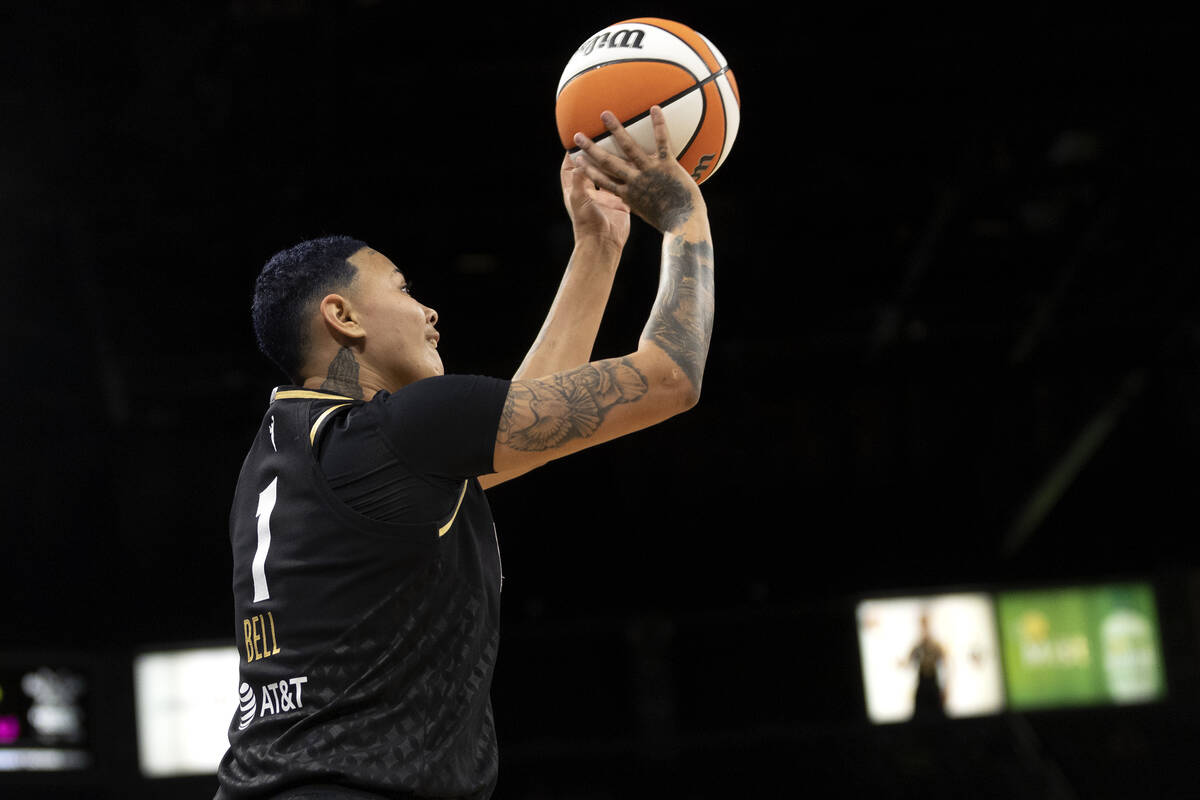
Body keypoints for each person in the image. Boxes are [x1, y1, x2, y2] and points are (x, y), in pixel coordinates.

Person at [214, 106, 716, 800]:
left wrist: (598, 245)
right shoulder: (404, 429)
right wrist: (685, 211)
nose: (429, 311)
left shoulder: (287, 453)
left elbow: (529, 430)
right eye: (402, 287)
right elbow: (670, 379)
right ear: (343, 316)